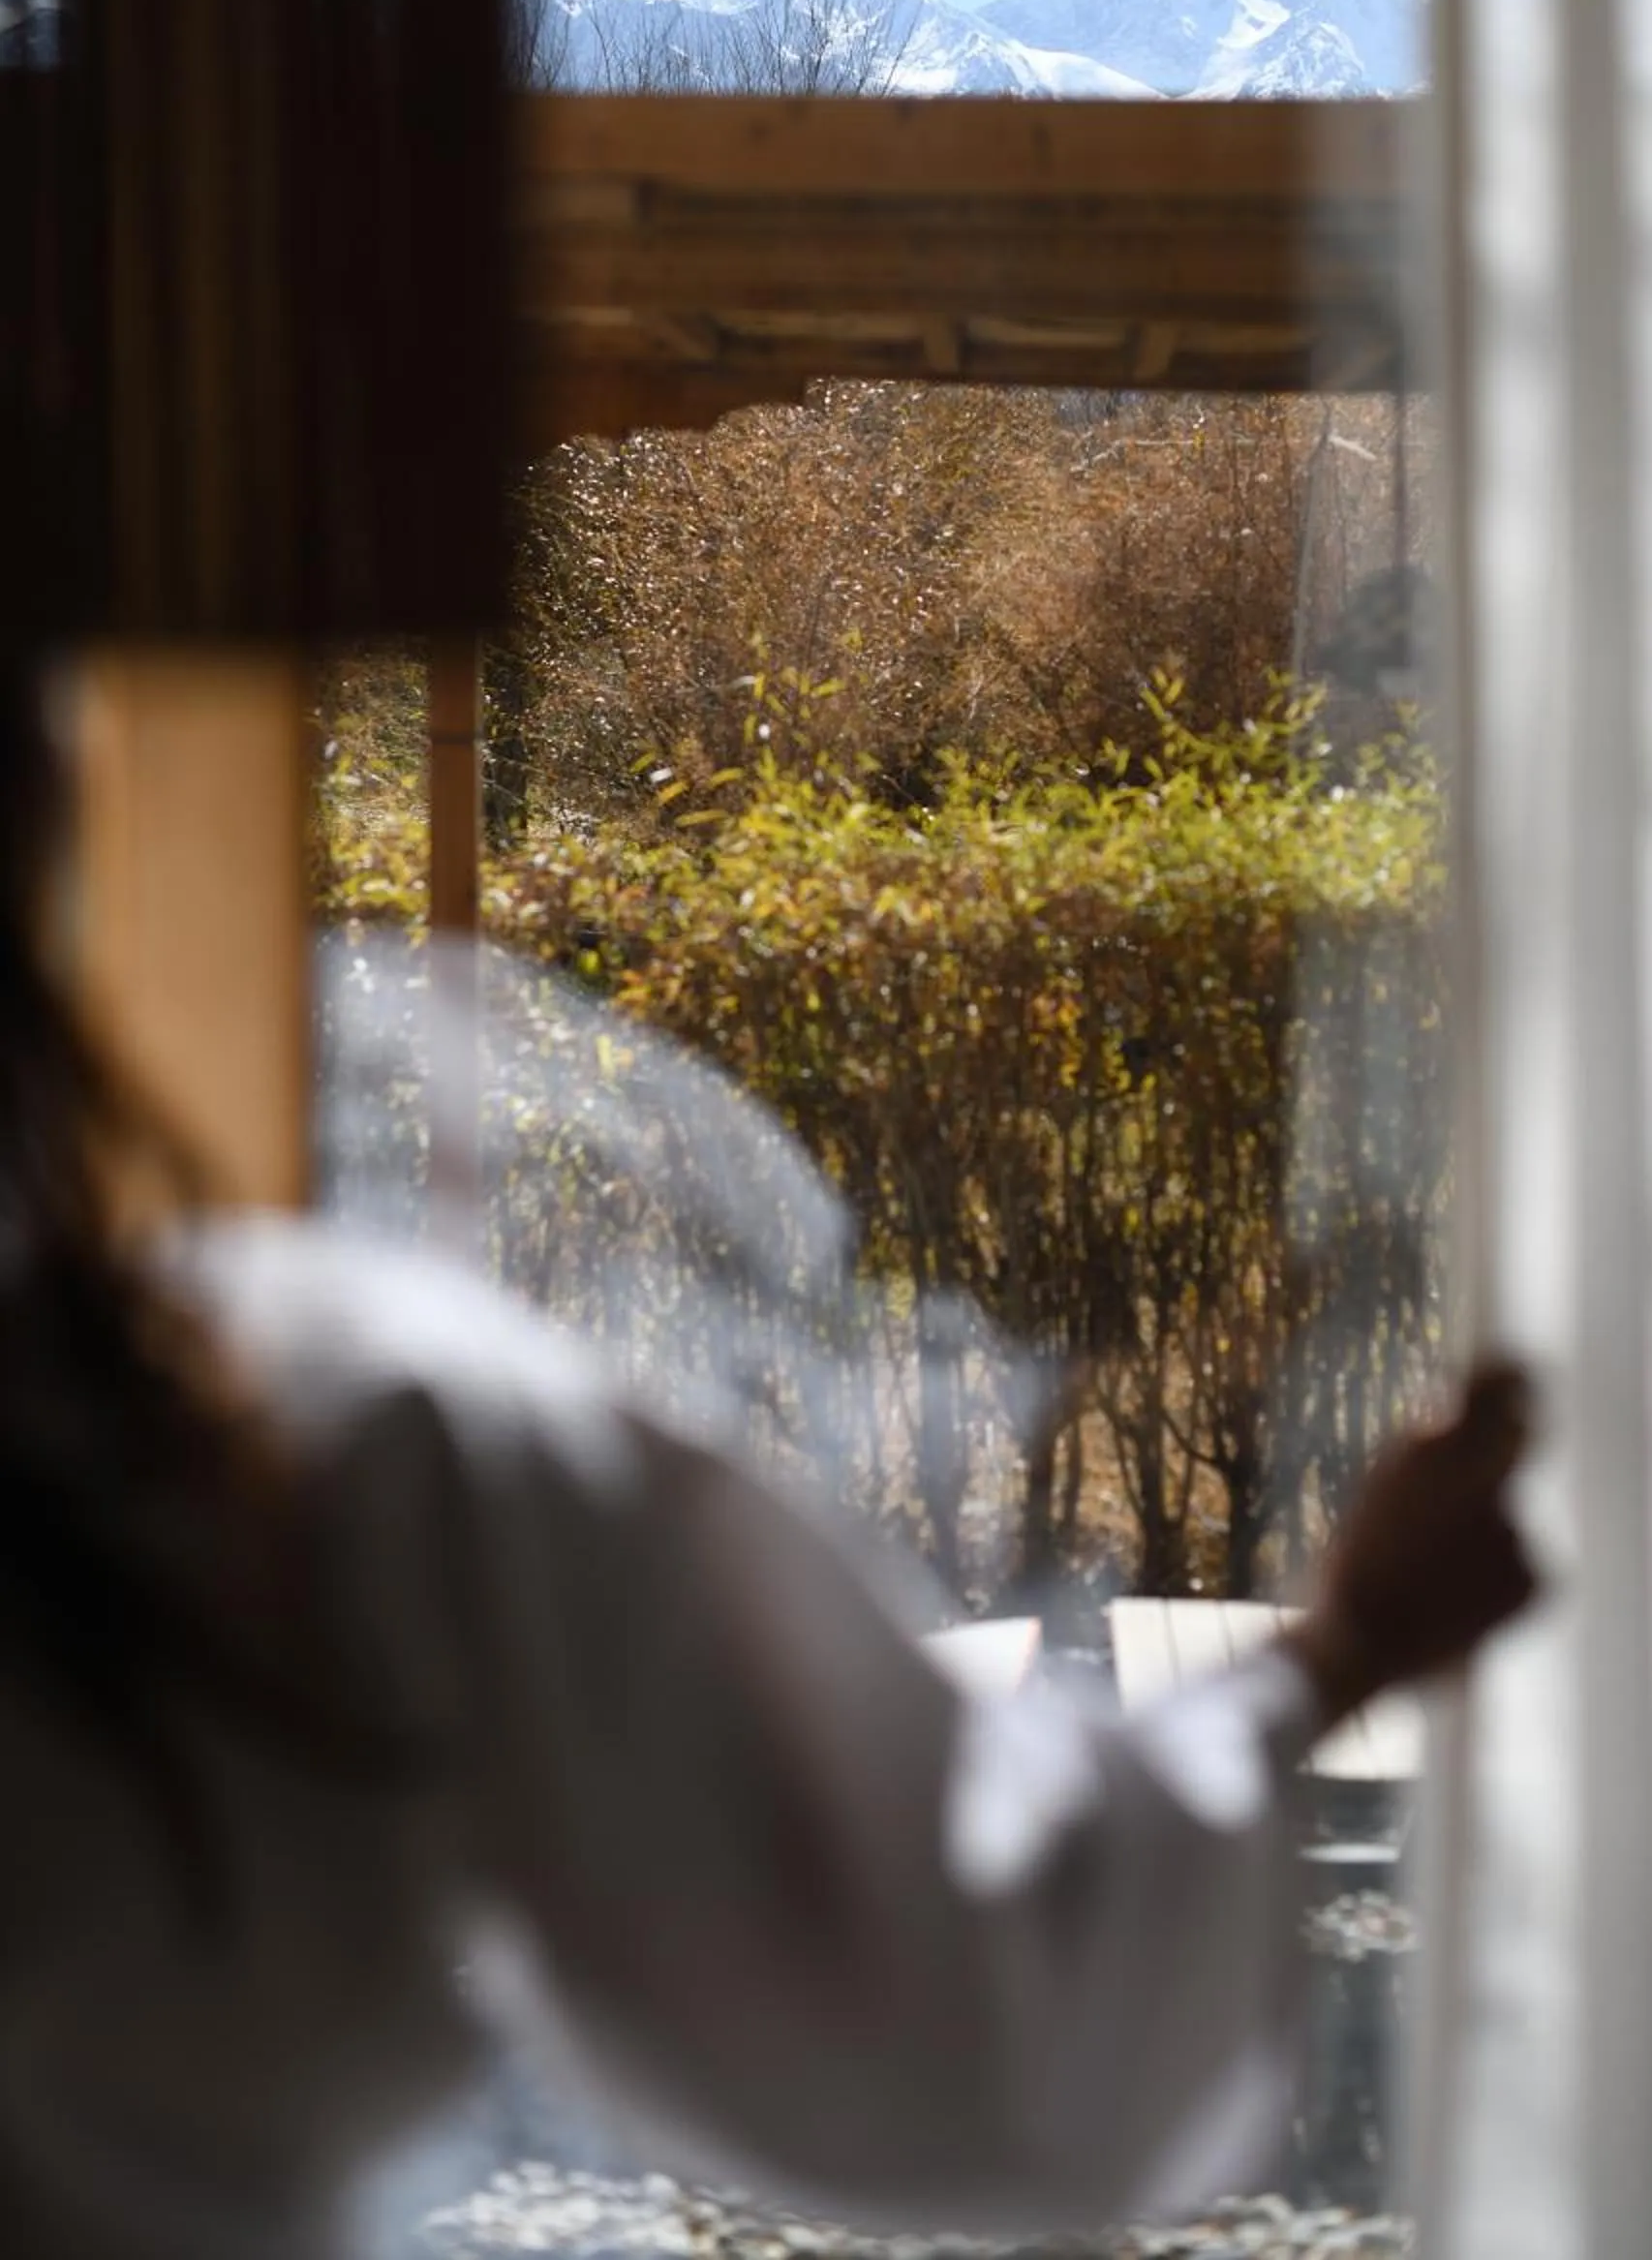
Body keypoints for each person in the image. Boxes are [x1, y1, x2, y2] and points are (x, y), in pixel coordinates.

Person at [0, 665, 1537, 2260]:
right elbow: (964, 2030)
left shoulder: (330, 1423)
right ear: (53, 809)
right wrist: (1337, 1649)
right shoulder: (326, 1434)